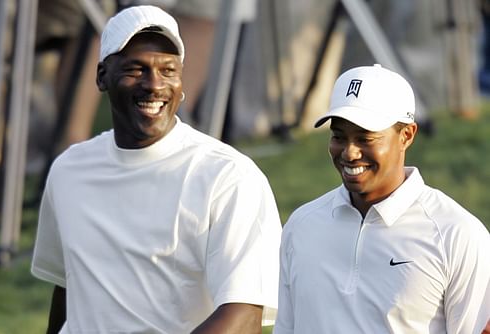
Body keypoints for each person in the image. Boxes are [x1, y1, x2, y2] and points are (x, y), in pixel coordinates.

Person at [30, 5, 282, 333]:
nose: (154, 85)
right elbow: (68, 288)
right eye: (136, 69)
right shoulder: (69, 170)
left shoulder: (228, 177)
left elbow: (244, 314)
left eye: (168, 70)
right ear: (102, 76)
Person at [274, 64, 490, 333]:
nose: (349, 153)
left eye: (365, 138)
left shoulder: (456, 234)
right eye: (339, 137)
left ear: (406, 135)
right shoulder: (301, 225)